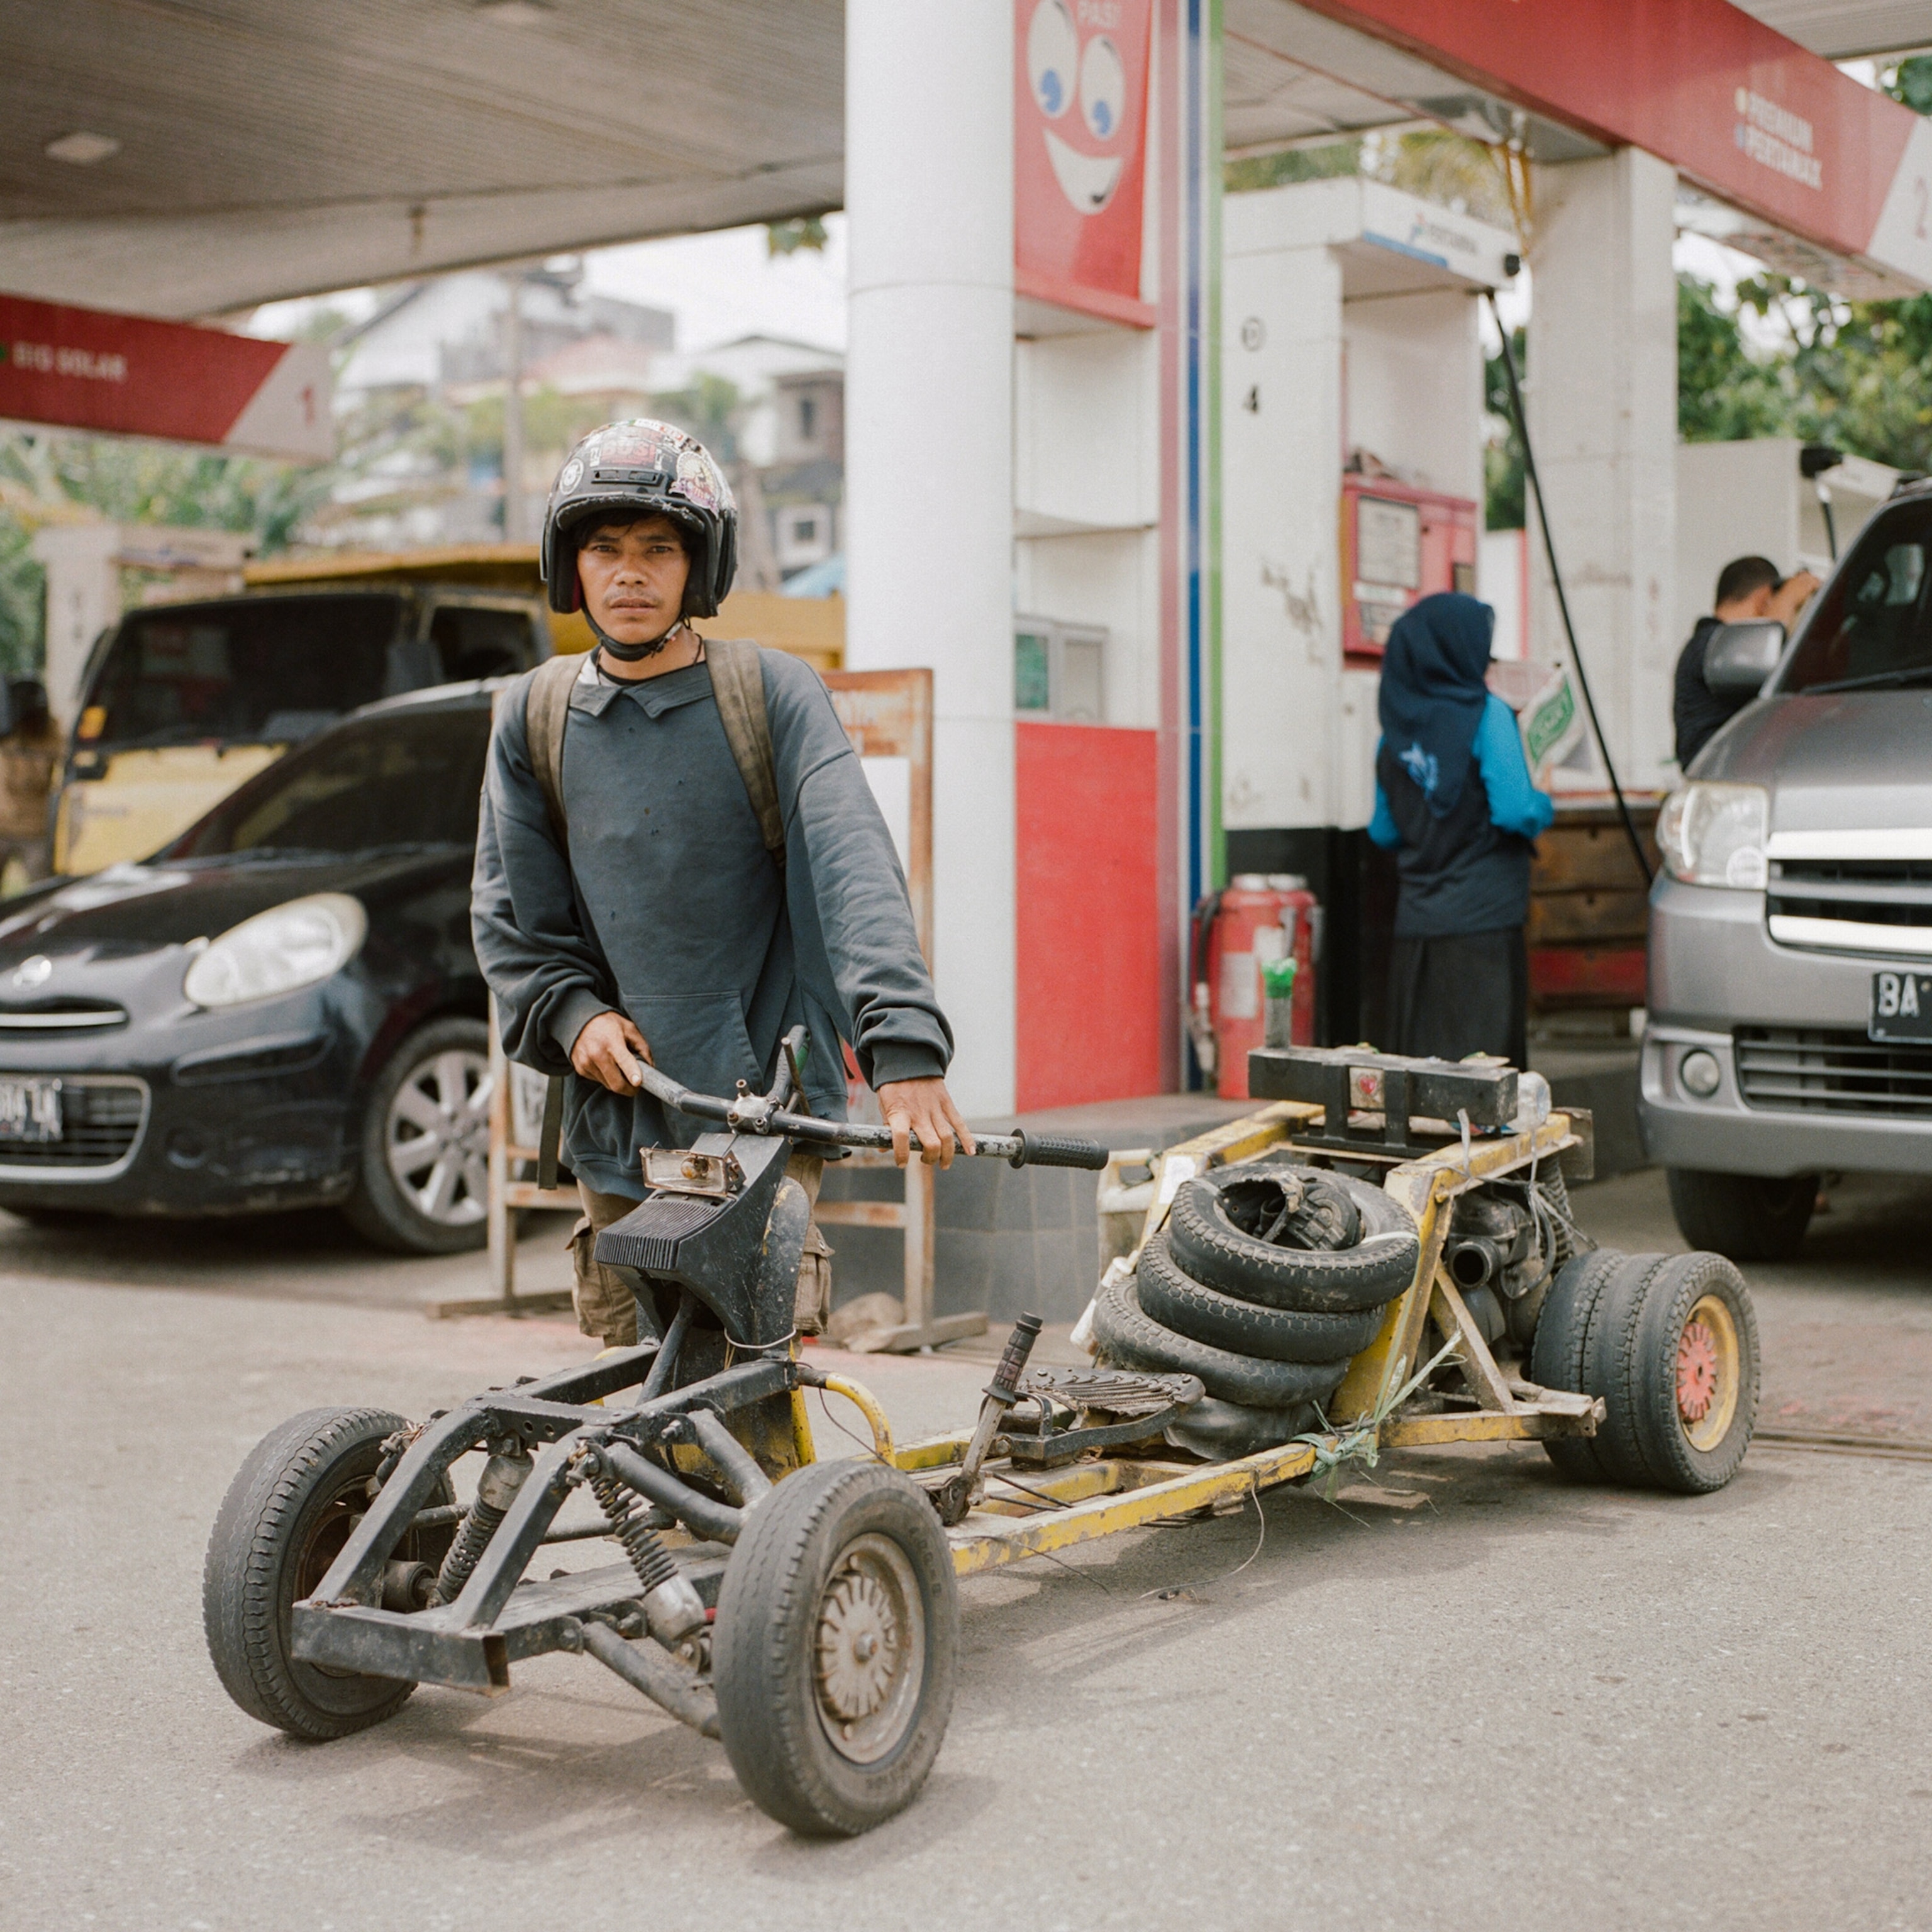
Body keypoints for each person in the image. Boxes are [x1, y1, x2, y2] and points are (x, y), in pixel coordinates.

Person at [472, 419, 972, 1350]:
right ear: (568, 566)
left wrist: (904, 1047)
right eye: (604, 549)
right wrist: (573, 1015)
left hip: (764, 1105)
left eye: (659, 550)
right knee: (634, 1376)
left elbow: (853, 862)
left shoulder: (773, 695)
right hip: (616, 1108)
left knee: (746, 1368)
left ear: (699, 568)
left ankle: (768, 1499)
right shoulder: (532, 714)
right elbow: (511, 918)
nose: (629, 574)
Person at [1367, 592, 1554, 1070]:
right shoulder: (1487, 715)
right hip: (1484, 929)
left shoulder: (1394, 734)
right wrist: (1543, 801)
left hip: (1418, 932)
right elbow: (1514, 812)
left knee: (1419, 1076)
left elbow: (1384, 832)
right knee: (1483, 1081)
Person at [1673, 555, 1820, 769]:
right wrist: (1786, 602)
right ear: (1764, 600)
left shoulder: (1706, 645)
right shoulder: (1712, 646)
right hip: (1724, 776)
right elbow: (1771, 657)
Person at [0, 679, 60, 894]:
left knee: (41, 895)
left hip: (35, 830)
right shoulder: (7, 731)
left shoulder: (52, 736)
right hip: (2, 826)